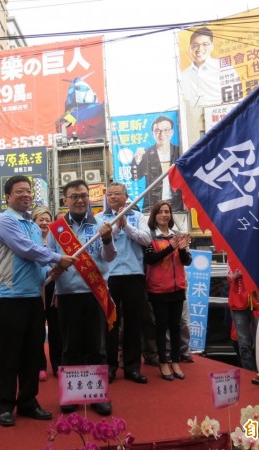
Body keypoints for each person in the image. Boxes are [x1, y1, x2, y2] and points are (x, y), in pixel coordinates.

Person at [0, 175, 75, 427]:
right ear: (7, 197)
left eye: (28, 191)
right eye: (19, 191)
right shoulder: (6, 221)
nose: (26, 195)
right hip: (10, 298)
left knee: (32, 353)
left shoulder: (31, 224)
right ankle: (5, 405)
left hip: (32, 297)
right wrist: (57, 258)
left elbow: (32, 264)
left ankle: (28, 401)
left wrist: (51, 274)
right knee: (9, 354)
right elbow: (26, 249)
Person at [48, 179, 116, 416]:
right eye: (74, 196)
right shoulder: (56, 229)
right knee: (70, 347)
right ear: (65, 200)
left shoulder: (101, 225)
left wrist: (107, 240)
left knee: (97, 347)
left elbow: (109, 258)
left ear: (90, 198)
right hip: (67, 295)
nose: (79, 200)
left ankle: (98, 394)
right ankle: (71, 394)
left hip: (95, 293)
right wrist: (54, 279)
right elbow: (50, 260)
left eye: (84, 196)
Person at [96, 182, 151, 384]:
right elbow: (98, 243)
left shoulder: (138, 217)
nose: (112, 197)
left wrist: (125, 225)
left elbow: (146, 239)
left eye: (117, 194)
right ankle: (110, 366)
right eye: (109, 194)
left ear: (126, 196)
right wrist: (116, 229)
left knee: (134, 322)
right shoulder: (100, 219)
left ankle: (132, 367)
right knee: (110, 323)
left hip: (134, 275)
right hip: (109, 277)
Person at [144, 201, 192, 381]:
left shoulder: (178, 235)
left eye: (167, 212)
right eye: (161, 212)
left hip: (177, 287)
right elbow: (150, 259)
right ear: (154, 215)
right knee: (161, 326)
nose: (165, 215)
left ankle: (175, 361)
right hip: (158, 289)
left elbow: (187, 261)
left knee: (176, 326)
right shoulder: (150, 236)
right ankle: (163, 361)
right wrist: (171, 247)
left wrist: (180, 250)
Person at [31, 206, 61, 380]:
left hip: (55, 287)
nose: (44, 223)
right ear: (34, 222)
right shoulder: (29, 240)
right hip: (37, 287)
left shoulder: (58, 239)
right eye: (40, 219)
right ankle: (40, 365)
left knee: (56, 328)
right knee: (37, 329)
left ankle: (58, 364)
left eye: (47, 219)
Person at [135, 116, 183, 212]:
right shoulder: (146, 153)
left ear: (172, 132)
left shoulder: (180, 152)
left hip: (177, 204)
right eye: (157, 130)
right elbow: (135, 177)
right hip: (153, 205)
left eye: (166, 130)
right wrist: (137, 160)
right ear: (152, 133)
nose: (162, 134)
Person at [180, 26, 231, 107]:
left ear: (212, 46)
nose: (200, 48)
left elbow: (235, 95)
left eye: (205, 44)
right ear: (190, 48)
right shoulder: (183, 76)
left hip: (221, 114)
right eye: (195, 45)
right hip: (196, 118)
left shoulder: (224, 68)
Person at [227, 268, 259, 371]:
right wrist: (237, 273)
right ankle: (249, 372)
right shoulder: (233, 256)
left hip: (258, 302)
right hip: (238, 302)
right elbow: (229, 276)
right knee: (244, 344)